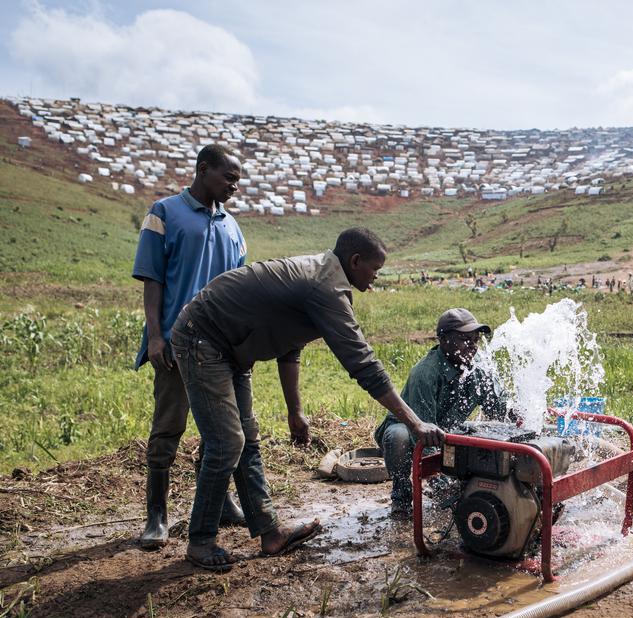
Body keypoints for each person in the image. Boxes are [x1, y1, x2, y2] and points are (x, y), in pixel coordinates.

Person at [171, 228, 445, 571]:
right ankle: (200, 541)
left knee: (247, 439)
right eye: (374, 269)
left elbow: (290, 346)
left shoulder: (324, 279)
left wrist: (294, 410)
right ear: (355, 261)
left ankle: (269, 533)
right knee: (227, 442)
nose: (375, 278)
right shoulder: (325, 288)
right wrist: (414, 421)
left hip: (234, 349)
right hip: (203, 337)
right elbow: (364, 364)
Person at [132, 144, 253, 550]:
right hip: (174, 344)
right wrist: (154, 336)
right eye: (228, 178)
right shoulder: (164, 213)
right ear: (204, 170)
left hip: (219, 350)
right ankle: (157, 514)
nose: (234, 186)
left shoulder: (232, 227)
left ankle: (220, 503)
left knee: (221, 430)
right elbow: (153, 278)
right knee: (168, 427)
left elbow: (239, 292)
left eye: (237, 180)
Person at [374, 308, 512, 518]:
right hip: (413, 429)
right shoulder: (425, 373)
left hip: (446, 432)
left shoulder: (478, 371)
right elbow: (423, 435)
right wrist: (441, 485)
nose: (472, 346)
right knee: (398, 438)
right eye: (464, 339)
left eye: (475, 340)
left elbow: (499, 410)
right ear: (444, 340)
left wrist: (517, 413)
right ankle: (401, 498)